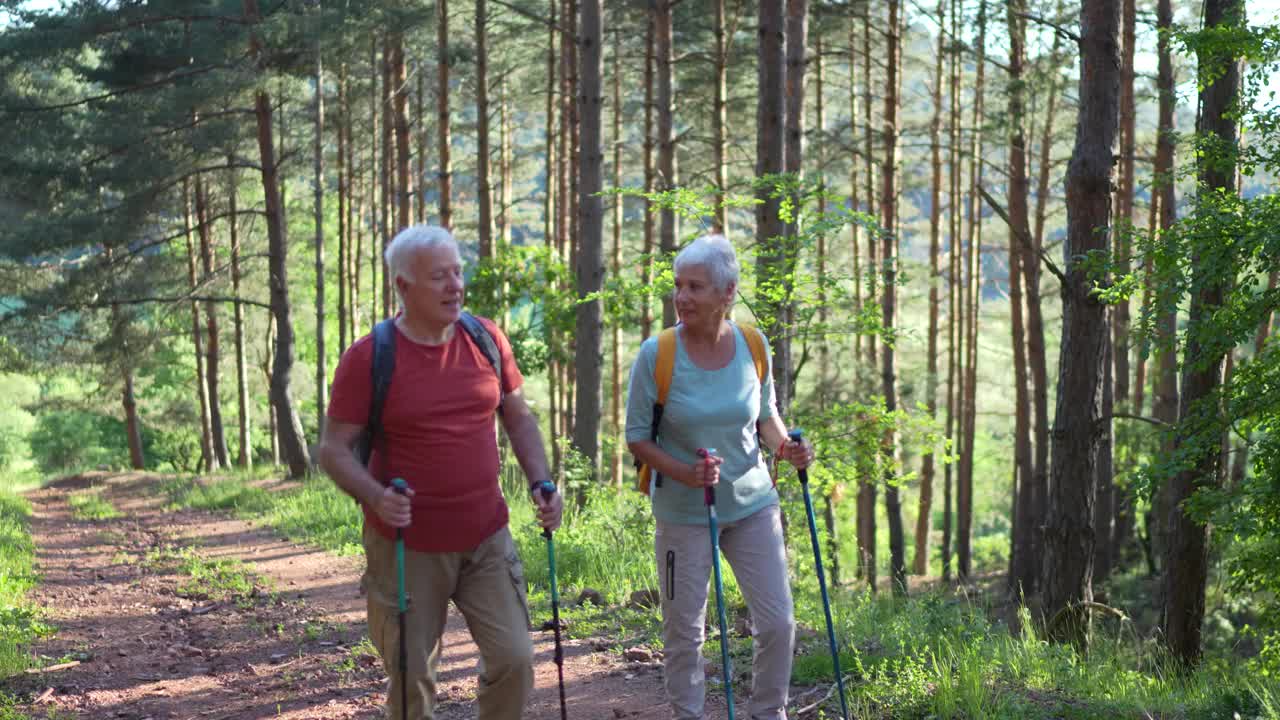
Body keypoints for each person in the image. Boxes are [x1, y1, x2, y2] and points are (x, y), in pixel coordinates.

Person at [318, 224, 562, 720]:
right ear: (404, 286)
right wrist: (374, 495)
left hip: (485, 536)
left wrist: (541, 481)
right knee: (411, 678)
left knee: (515, 658)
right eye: (439, 277)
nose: (456, 285)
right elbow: (333, 450)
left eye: (457, 272)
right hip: (406, 545)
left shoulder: (485, 337)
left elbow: (517, 415)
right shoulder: (369, 358)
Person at [625, 234, 814, 720]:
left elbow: (765, 416)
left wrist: (786, 448)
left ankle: (768, 712)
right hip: (683, 514)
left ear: (727, 294)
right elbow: (637, 439)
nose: (682, 297)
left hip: (753, 504)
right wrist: (686, 473)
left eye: (696, 287)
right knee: (685, 633)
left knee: (778, 623)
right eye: (678, 286)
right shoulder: (658, 354)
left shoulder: (754, 344)